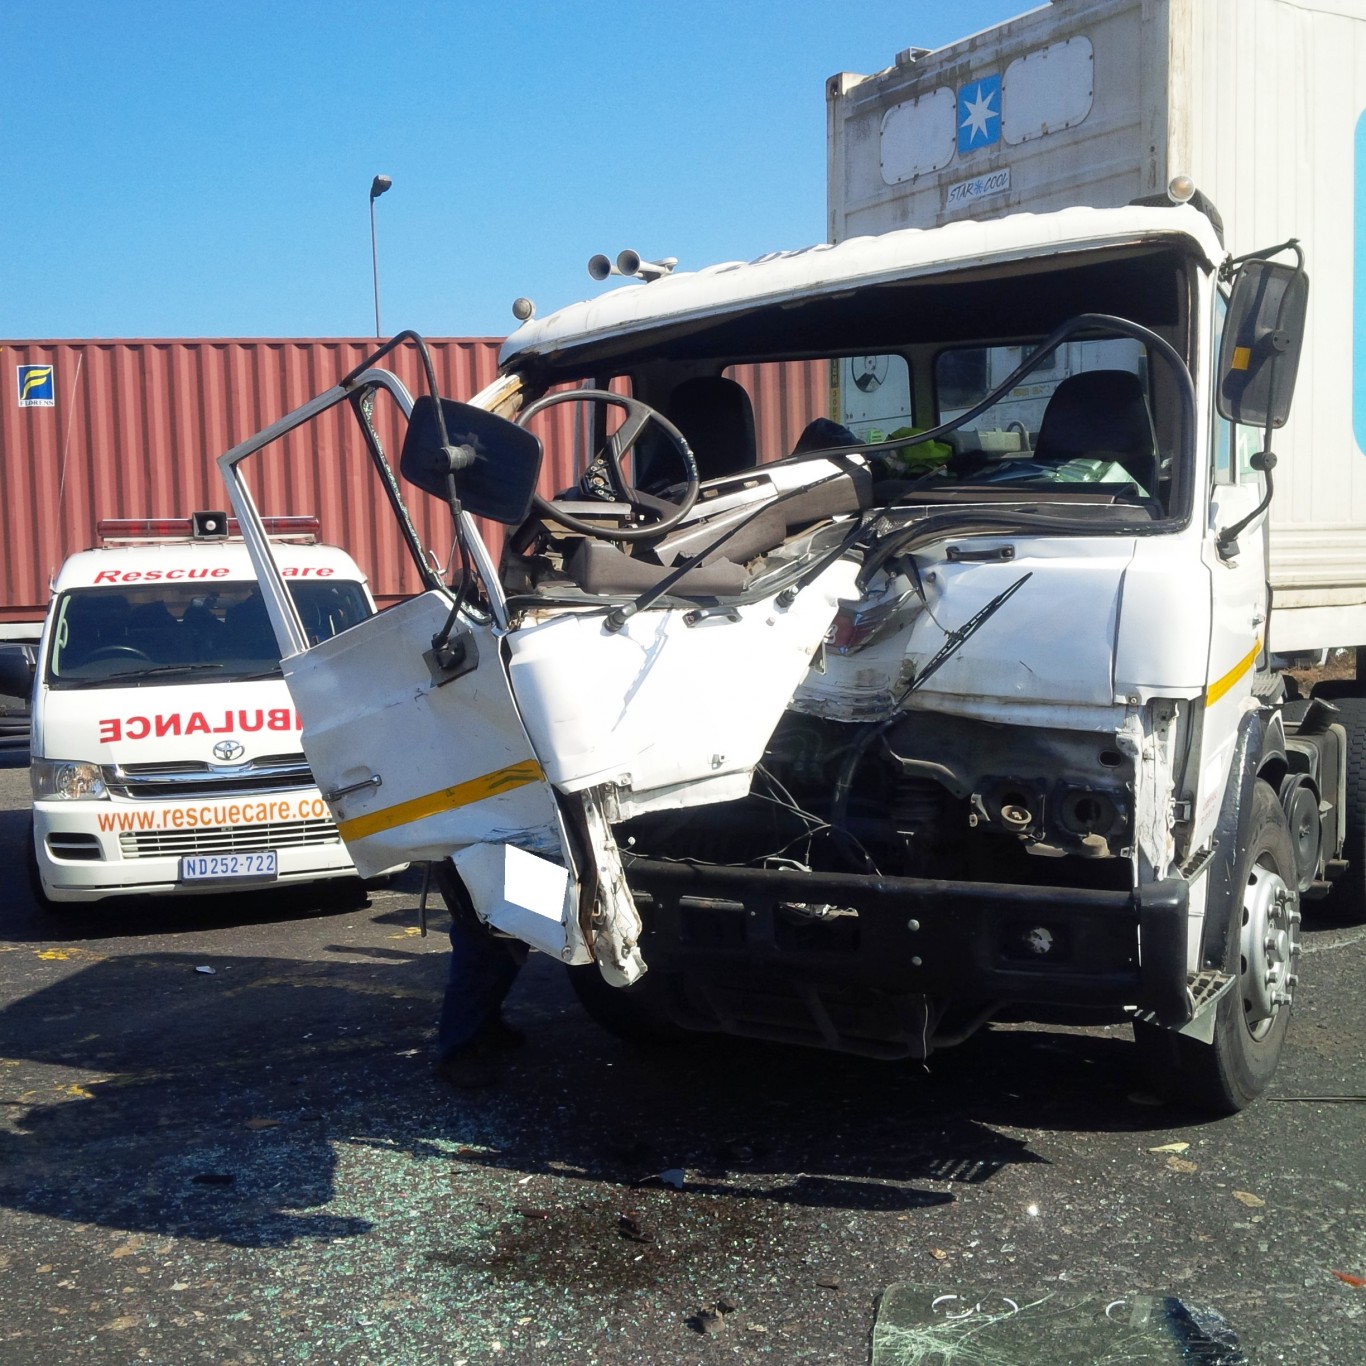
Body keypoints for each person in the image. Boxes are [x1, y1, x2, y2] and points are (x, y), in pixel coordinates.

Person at [432, 861, 528, 1088]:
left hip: (516, 852)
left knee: (514, 942)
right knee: (476, 952)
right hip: (471, 856)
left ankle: (486, 1024)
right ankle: (456, 1050)